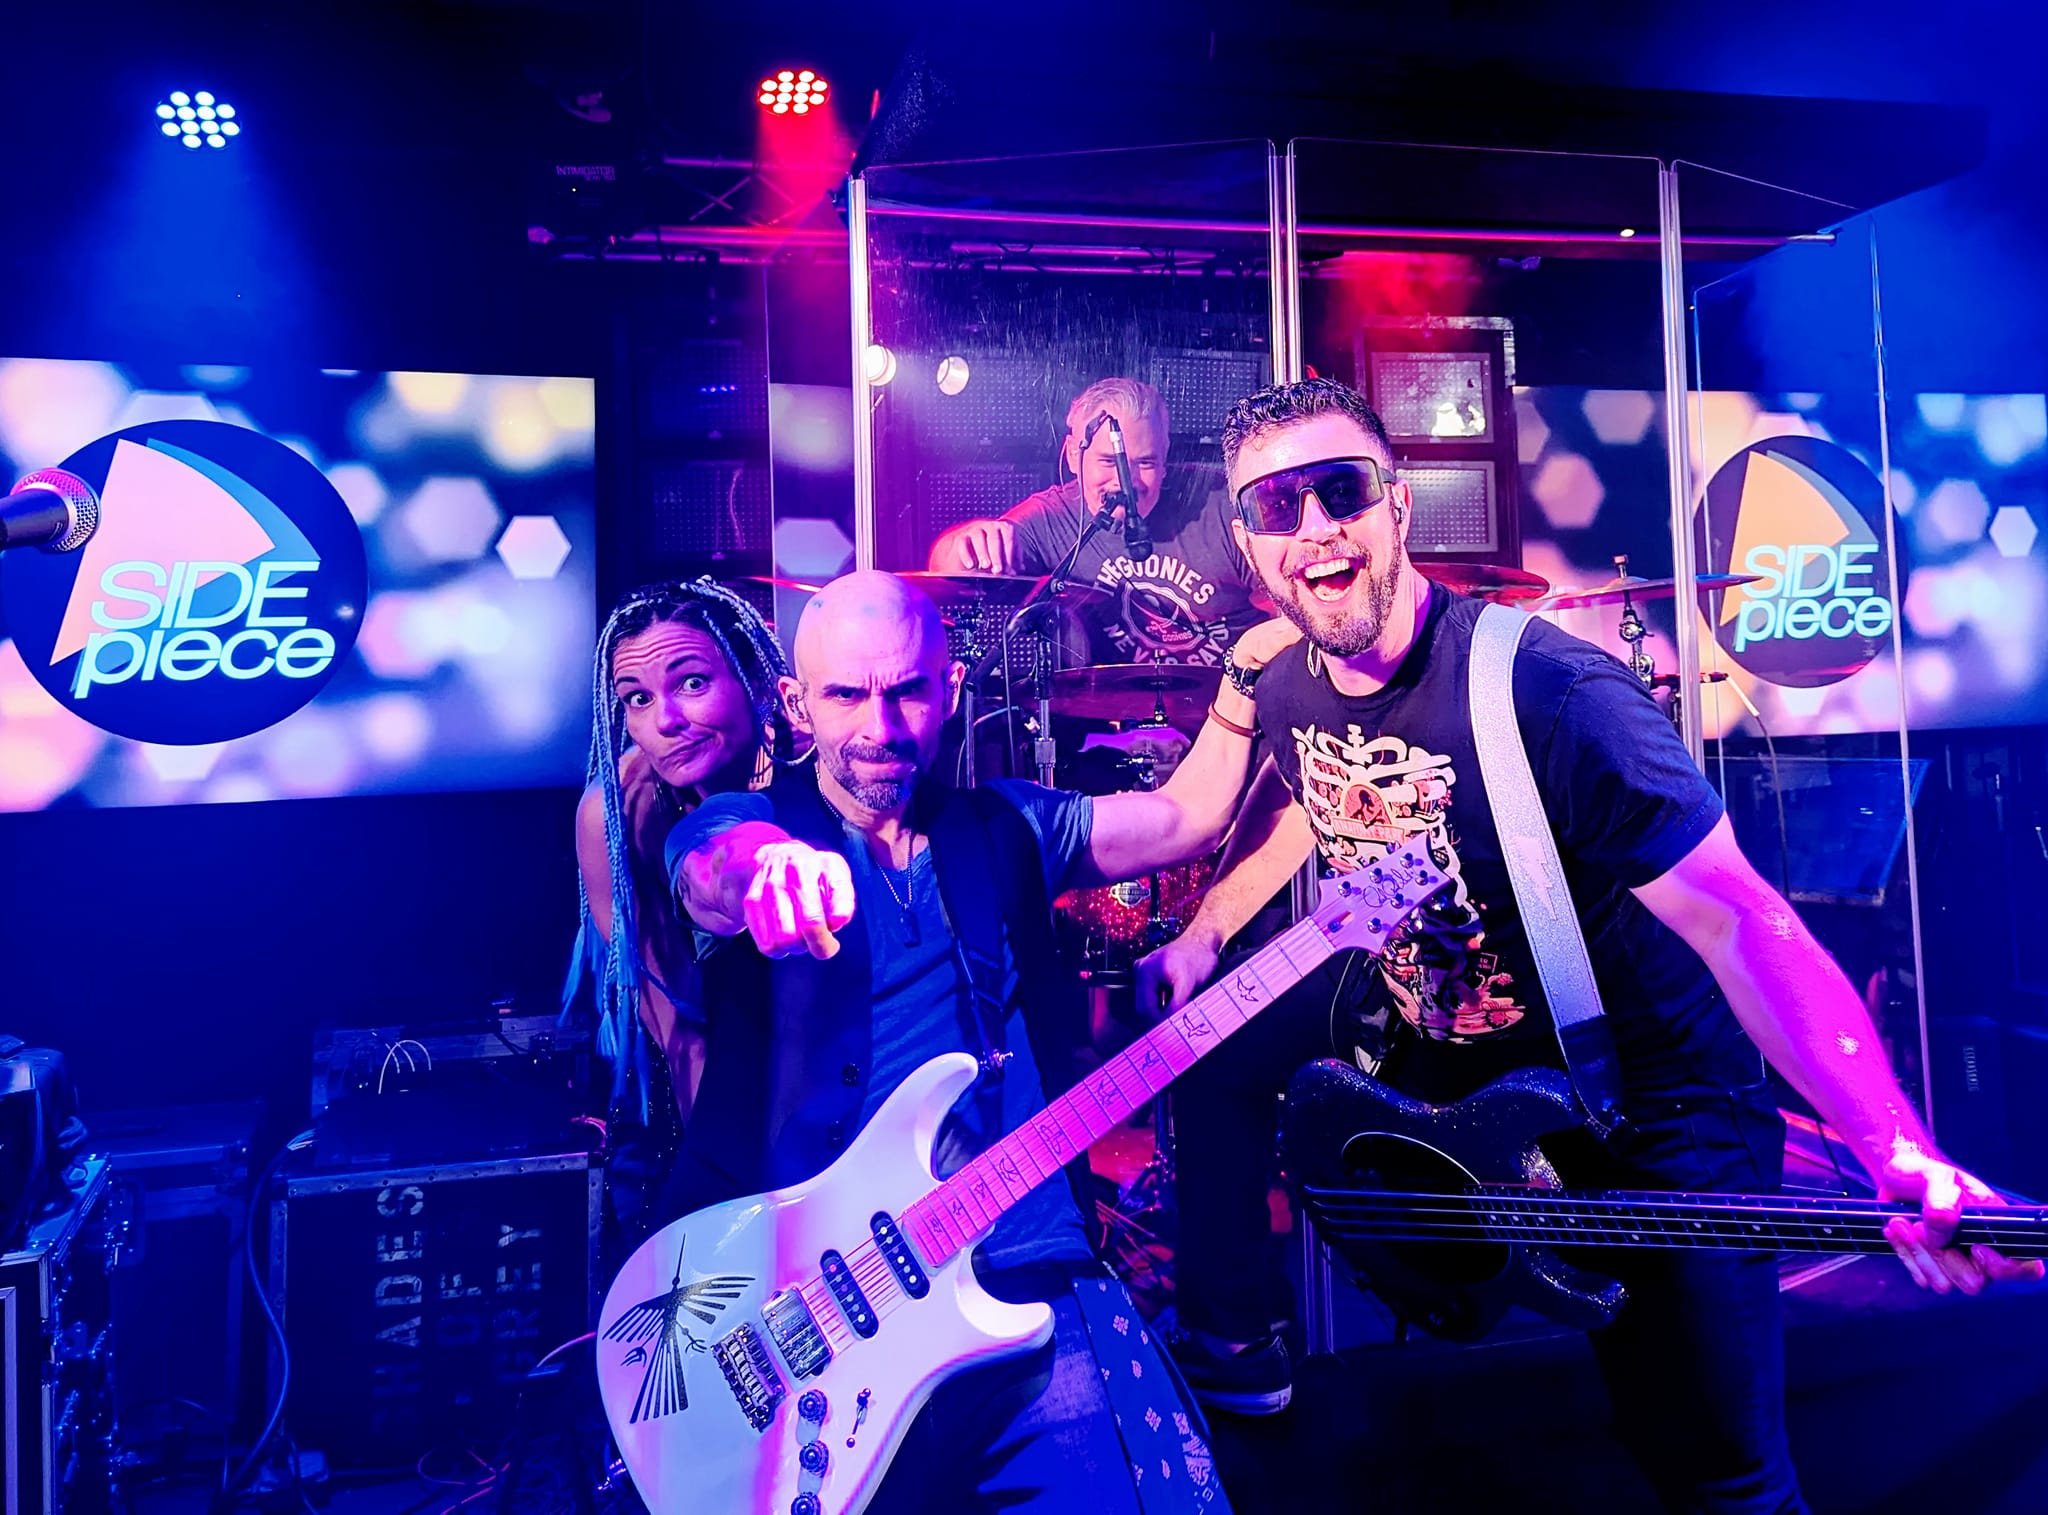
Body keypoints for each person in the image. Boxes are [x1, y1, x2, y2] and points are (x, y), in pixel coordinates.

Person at [1138, 377, 2040, 1510]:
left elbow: (1737, 917)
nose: (1314, 526)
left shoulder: (1551, 691)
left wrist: (1889, 1145)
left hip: (1650, 1105)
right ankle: (1235, 1342)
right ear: (1246, 544)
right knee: (1214, 1044)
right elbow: (1290, 807)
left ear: (1397, 505)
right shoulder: (1283, 682)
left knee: (1714, 1467)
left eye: (1341, 491)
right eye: (1277, 506)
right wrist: (1206, 928)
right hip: (1471, 1054)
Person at [665, 569, 1296, 1512]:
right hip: (823, 1302)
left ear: (953, 687)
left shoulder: (1006, 826)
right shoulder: (751, 826)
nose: (880, 727)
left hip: (1023, 1266)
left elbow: (1187, 817)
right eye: (845, 695)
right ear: (796, 704)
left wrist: (1245, 671)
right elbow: (707, 868)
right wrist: (763, 872)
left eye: (907, 691)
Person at [563, 578, 796, 1254]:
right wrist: (738, 1207)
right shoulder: (619, 811)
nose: (664, 720)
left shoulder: (815, 767)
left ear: (755, 678)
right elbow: (679, 1035)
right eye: (637, 698)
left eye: (692, 683)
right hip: (699, 1106)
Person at [927, 377, 1267, 668]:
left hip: (1229, 713)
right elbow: (946, 571)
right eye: (1108, 461)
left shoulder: (1219, 503)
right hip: (1111, 717)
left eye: (1145, 463)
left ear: (1165, 458)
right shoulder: (1052, 519)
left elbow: (1285, 608)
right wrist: (966, 542)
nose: (1125, 482)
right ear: (1073, 454)